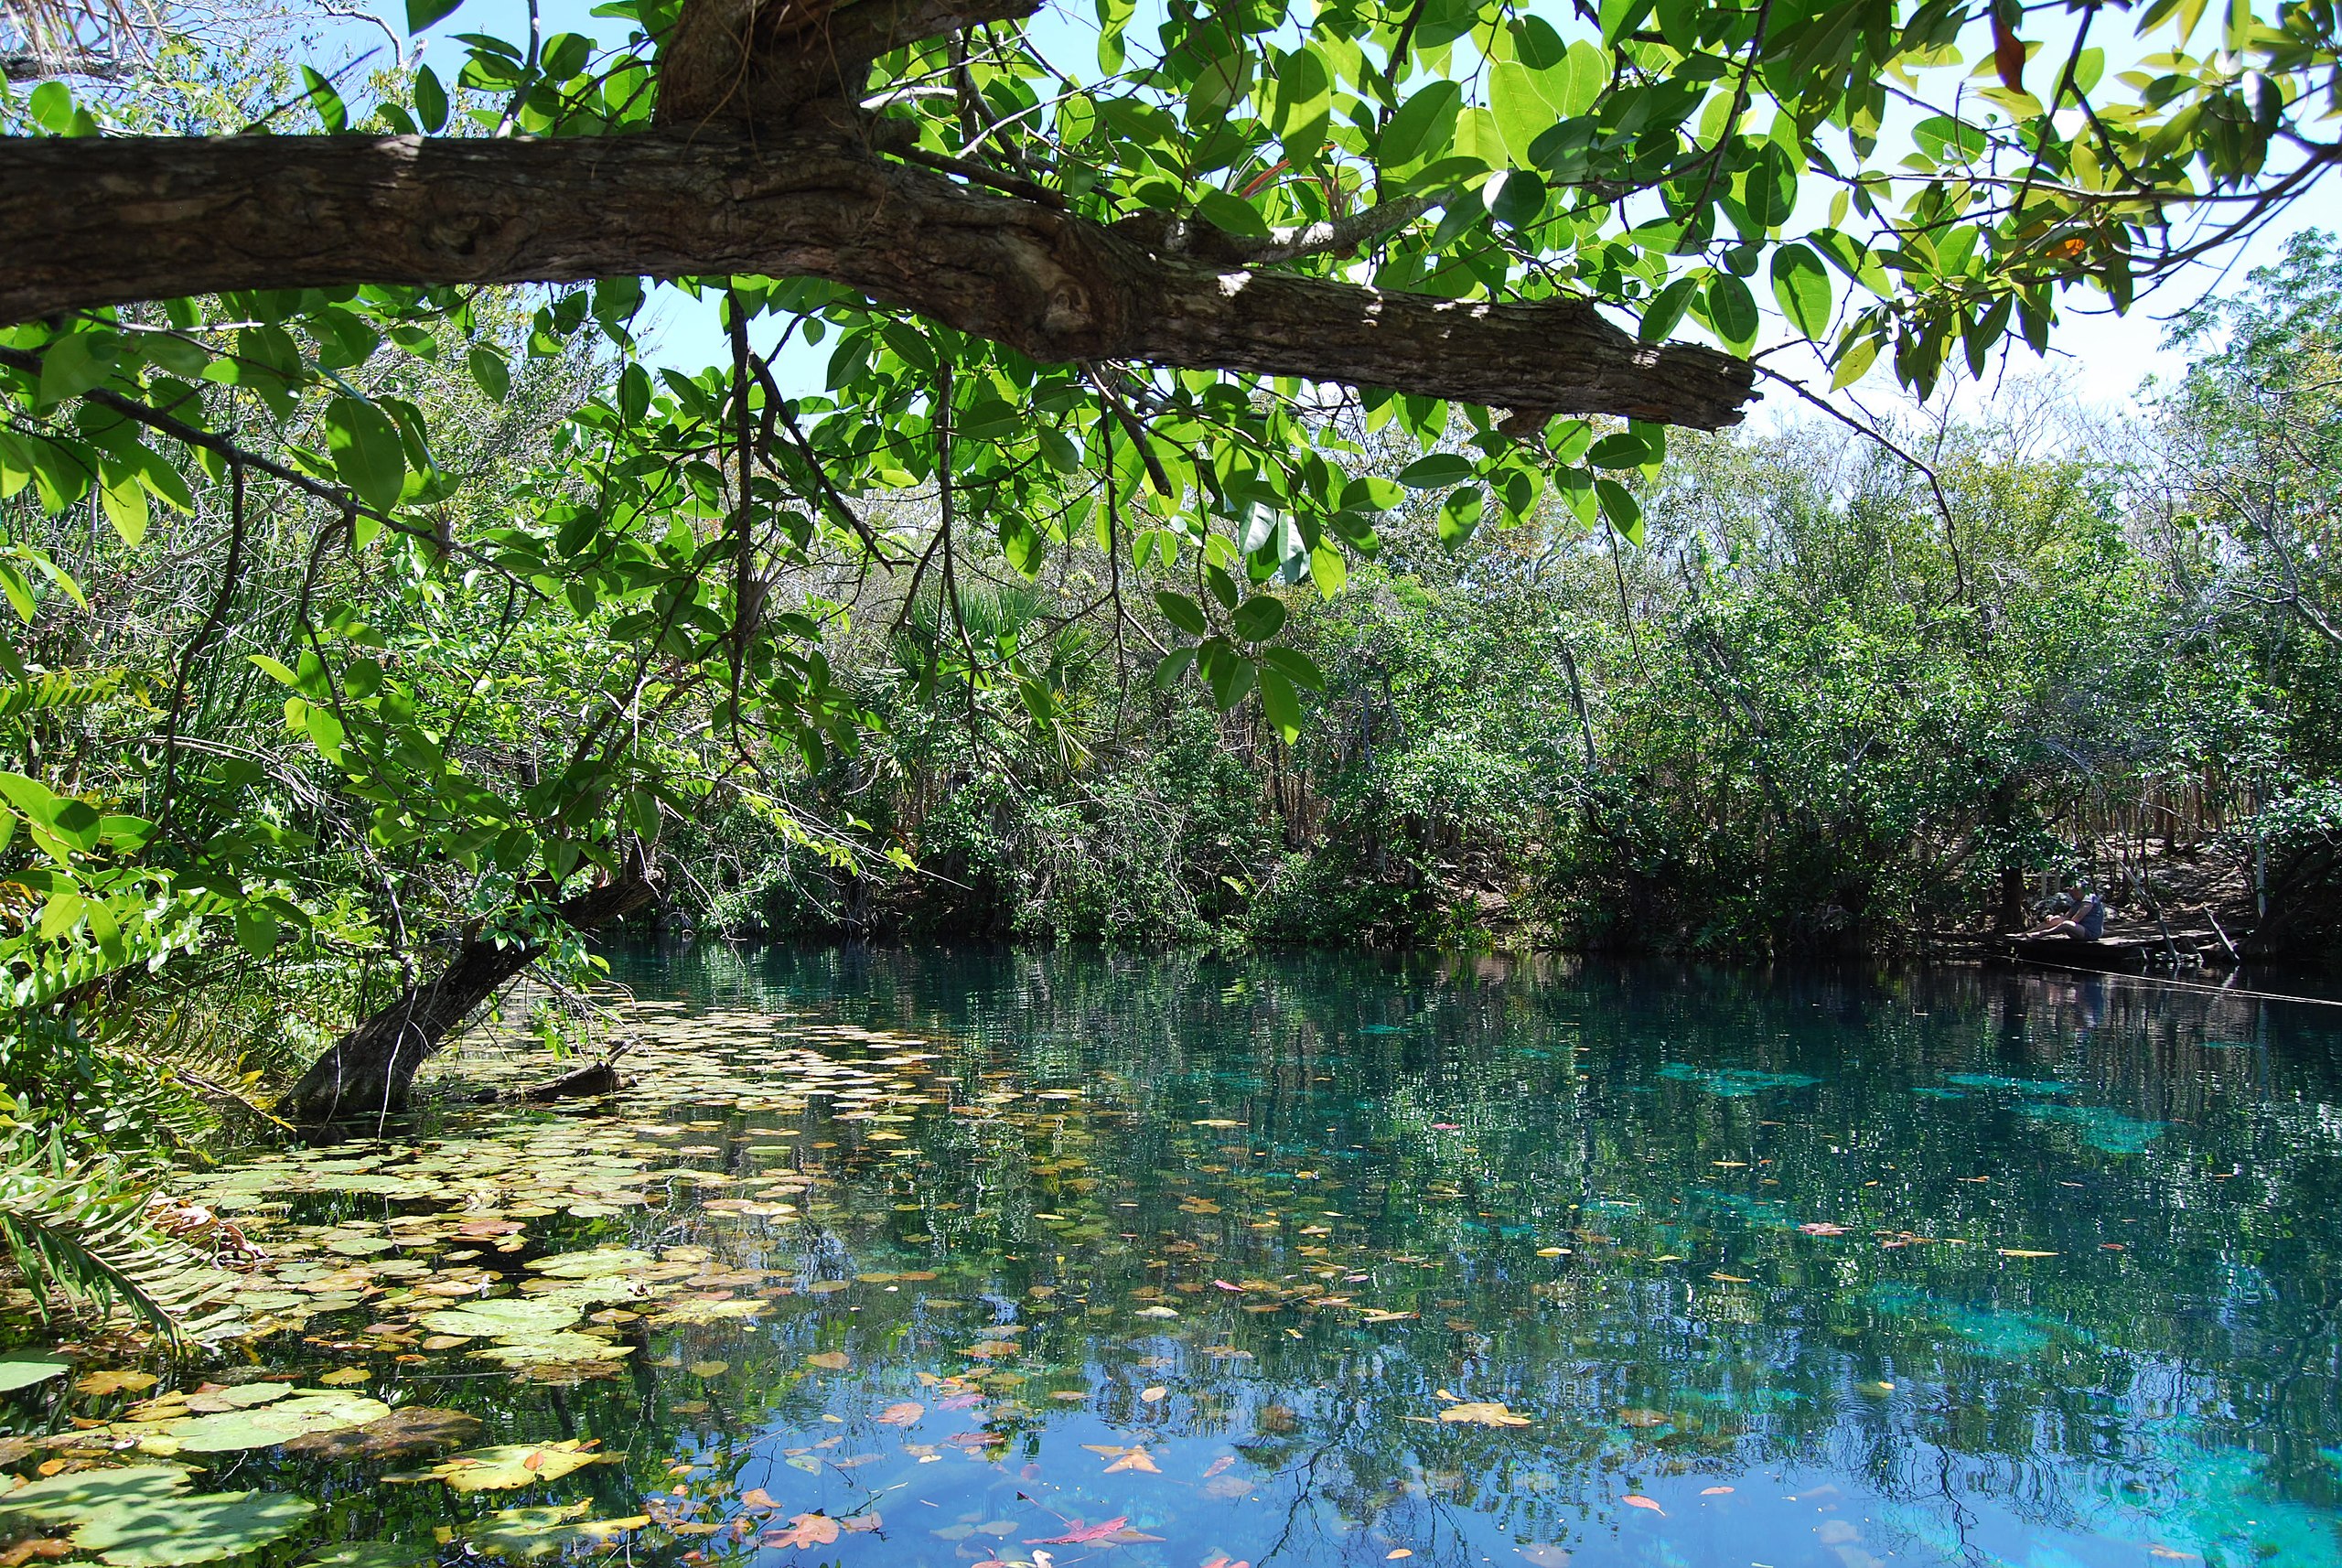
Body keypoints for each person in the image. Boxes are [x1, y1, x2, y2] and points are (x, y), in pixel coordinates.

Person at [2025, 884, 2107, 940]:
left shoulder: (2089, 898)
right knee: (2056, 919)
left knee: (2067, 924)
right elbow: (2066, 916)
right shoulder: (2077, 902)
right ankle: (2027, 933)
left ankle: (2041, 934)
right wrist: (2052, 918)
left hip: (2090, 933)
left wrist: (2061, 924)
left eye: (2073, 892)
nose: (2071, 894)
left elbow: (2077, 919)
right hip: (2078, 930)